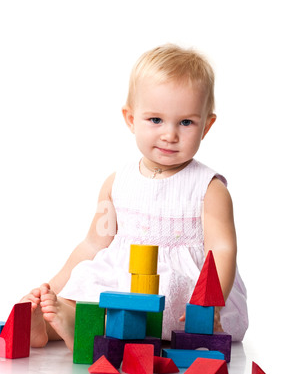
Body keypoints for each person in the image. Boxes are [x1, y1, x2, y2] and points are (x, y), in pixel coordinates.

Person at [21, 44, 248, 351]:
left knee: (155, 304)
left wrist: (210, 305)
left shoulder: (209, 188)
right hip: (123, 275)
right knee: (89, 285)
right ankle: (46, 326)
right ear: (130, 118)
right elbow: (92, 244)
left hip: (175, 287)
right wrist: (50, 286)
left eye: (186, 122)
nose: (170, 135)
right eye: (155, 120)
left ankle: (82, 325)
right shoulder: (117, 183)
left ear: (207, 126)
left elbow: (221, 250)